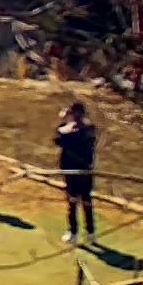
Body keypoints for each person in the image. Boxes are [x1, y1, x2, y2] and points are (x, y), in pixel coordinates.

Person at [55, 101, 98, 245]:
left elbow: (59, 138)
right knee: (80, 202)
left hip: (79, 171)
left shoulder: (81, 130)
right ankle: (85, 232)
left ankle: (80, 232)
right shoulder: (89, 129)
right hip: (78, 171)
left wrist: (65, 119)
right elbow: (58, 138)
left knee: (79, 202)